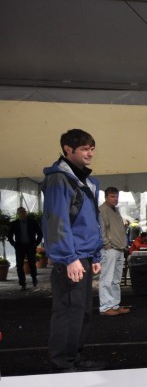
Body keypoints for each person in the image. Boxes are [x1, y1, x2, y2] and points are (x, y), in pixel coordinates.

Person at [42, 129, 105, 373]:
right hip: (72, 258)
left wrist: (94, 255)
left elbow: (88, 221)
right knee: (69, 313)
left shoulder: (82, 180)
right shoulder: (60, 179)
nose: (90, 153)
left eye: (92, 148)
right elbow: (56, 222)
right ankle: (63, 364)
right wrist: (70, 258)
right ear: (68, 150)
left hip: (83, 257)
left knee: (81, 313)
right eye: (84, 149)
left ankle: (74, 360)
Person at [98, 186, 130, 316]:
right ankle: (105, 307)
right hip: (110, 249)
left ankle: (114, 305)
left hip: (119, 248)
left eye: (117, 196)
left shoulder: (115, 210)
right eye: (112, 196)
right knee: (107, 279)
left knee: (116, 280)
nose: (115, 199)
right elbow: (101, 230)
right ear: (106, 197)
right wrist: (107, 245)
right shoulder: (102, 210)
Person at [8, 207, 42, 290]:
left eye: (24, 211)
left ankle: (34, 278)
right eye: (21, 212)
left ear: (26, 213)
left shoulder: (32, 222)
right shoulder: (14, 223)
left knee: (32, 264)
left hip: (30, 246)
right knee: (19, 266)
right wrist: (14, 244)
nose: (23, 213)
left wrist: (36, 243)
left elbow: (40, 233)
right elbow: (9, 236)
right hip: (19, 247)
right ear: (18, 214)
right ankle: (22, 284)